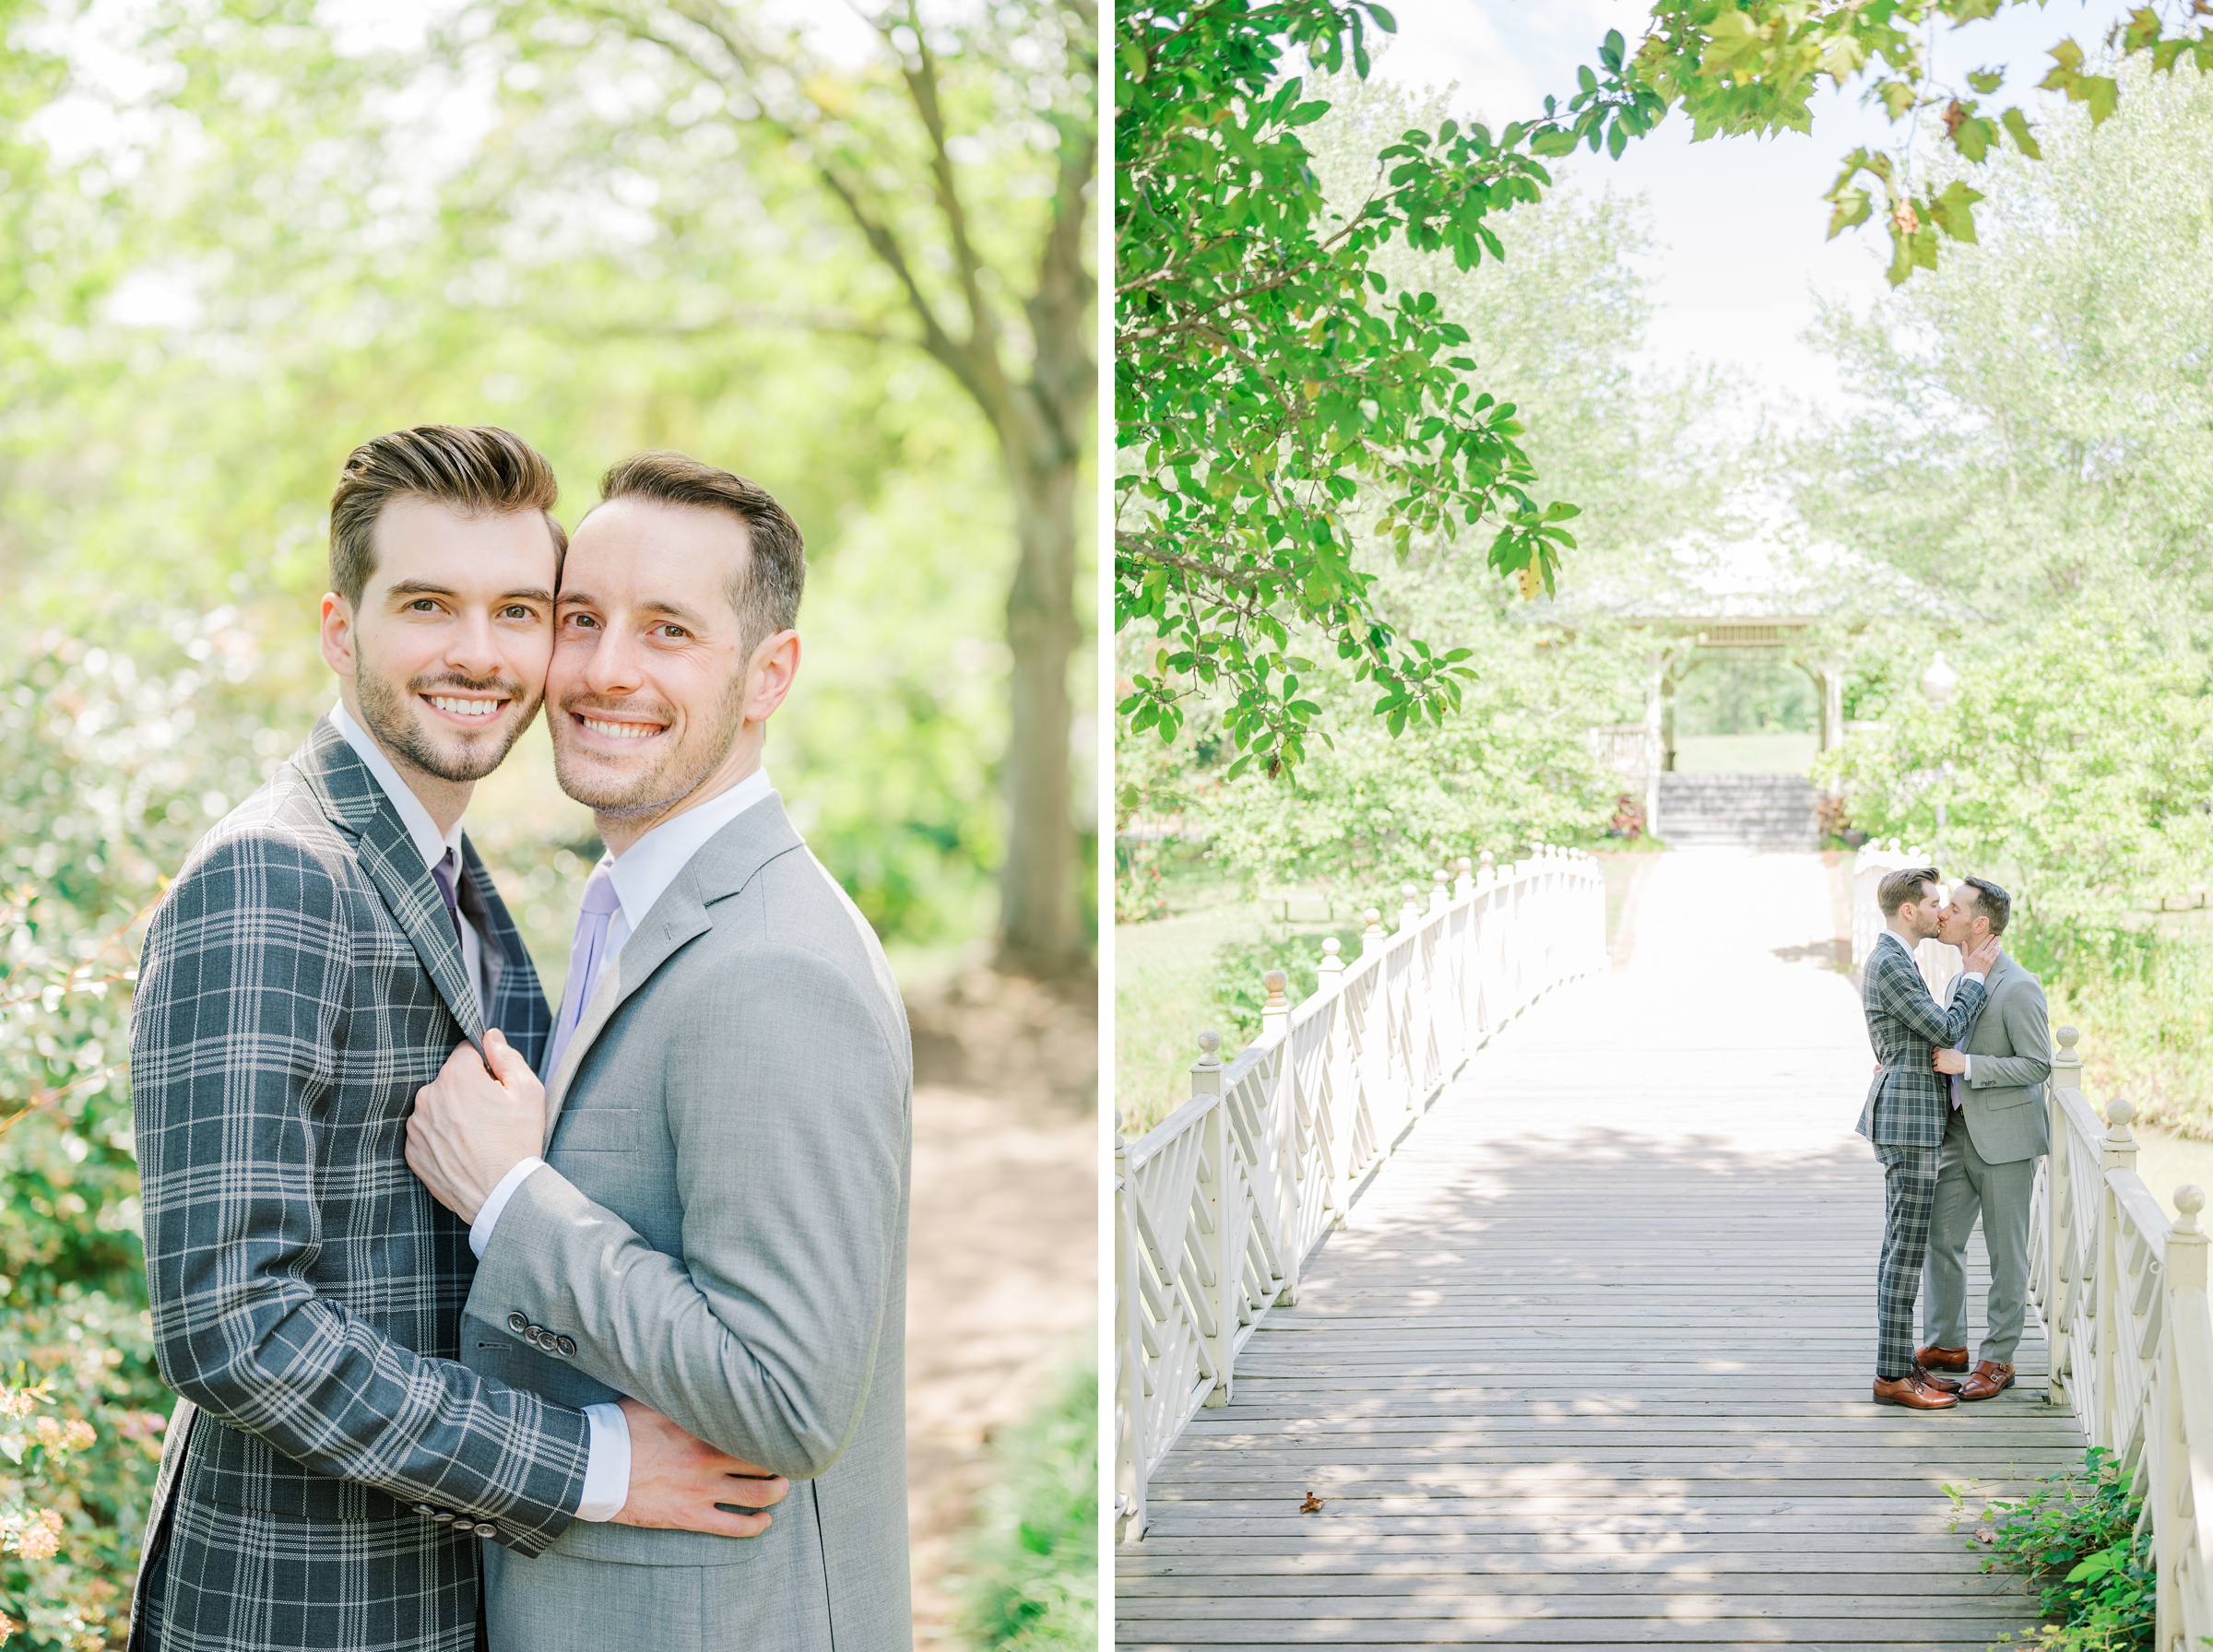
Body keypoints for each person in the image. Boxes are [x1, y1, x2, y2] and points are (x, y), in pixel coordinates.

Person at [128, 427, 784, 1652]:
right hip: (299, 1613)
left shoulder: (449, 874)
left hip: (445, 1596)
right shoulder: (273, 877)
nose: (479, 654)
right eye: (429, 605)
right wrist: (589, 1465)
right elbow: (229, 1325)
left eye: (519, 611)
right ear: (342, 629)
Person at [405, 451, 914, 1651]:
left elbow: (788, 1400)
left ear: (766, 675)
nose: (603, 672)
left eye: (668, 632)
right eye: (581, 620)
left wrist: (511, 1201)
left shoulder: (775, 968)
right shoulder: (637, 906)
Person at [1857, 865, 2000, 1410]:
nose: (1942, 910)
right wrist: (1974, 981)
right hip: (1909, 1122)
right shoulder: (1892, 961)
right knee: (1904, 1250)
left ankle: (1900, 1363)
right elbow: (1942, 1029)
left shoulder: (1899, 959)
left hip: (1912, 1115)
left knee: (1904, 1246)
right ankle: (1892, 1375)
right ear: (1908, 910)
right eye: (1934, 902)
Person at [1914, 877, 2052, 1402]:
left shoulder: (2020, 986)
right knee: (1940, 1238)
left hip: (2006, 1141)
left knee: (2006, 1254)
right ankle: (1947, 1345)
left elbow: (2037, 1063)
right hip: (1957, 1133)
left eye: (1954, 906)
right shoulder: (1960, 979)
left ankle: (1999, 1358)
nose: (1943, 912)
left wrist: (1966, 1064)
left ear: (1981, 924)